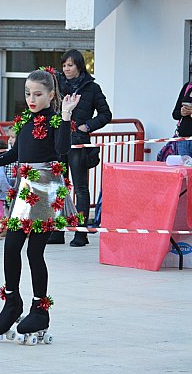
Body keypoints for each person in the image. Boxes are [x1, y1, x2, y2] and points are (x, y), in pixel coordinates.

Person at [0, 68, 82, 343]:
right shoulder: (24, 123)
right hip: (25, 188)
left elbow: (63, 149)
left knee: (34, 252)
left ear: (51, 95)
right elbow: (16, 154)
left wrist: (66, 118)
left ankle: (39, 308)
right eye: (28, 93)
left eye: (38, 94)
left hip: (46, 187)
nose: (31, 99)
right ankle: (12, 301)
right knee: (10, 246)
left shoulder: (56, 121)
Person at [48, 49, 112, 247]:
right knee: (59, 186)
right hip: (58, 141)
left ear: (79, 66)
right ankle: (58, 231)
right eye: (64, 65)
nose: (66, 69)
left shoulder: (92, 88)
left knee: (81, 188)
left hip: (78, 142)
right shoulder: (56, 84)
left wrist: (88, 126)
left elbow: (105, 114)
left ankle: (80, 233)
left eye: (70, 65)